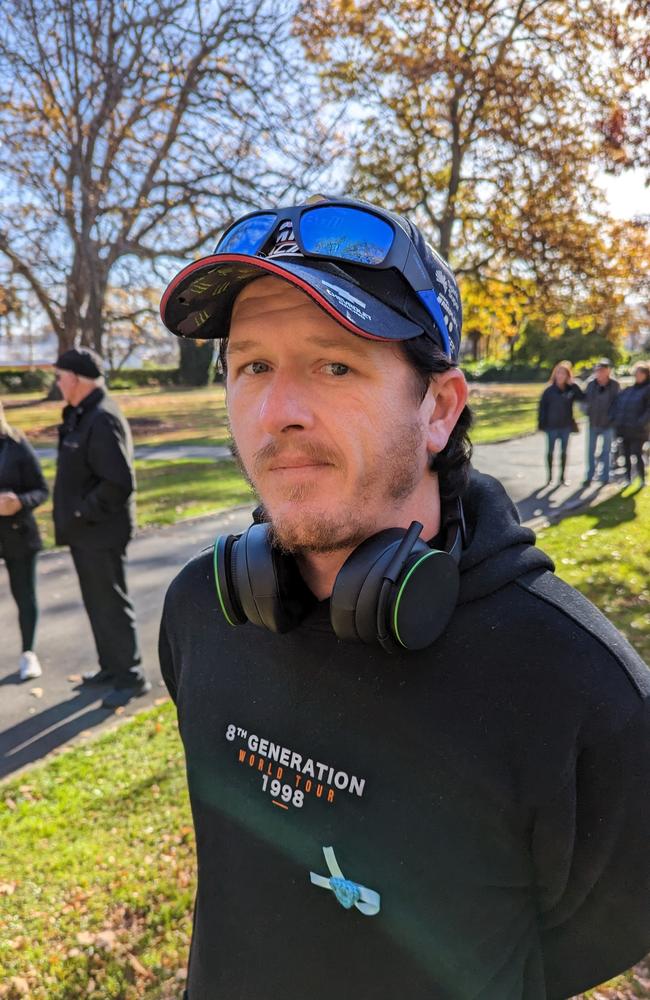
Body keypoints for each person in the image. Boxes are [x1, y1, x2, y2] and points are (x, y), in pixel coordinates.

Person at [158, 196, 650, 1000]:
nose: (278, 413)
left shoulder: (586, 692)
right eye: (252, 366)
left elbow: (596, 939)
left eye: (335, 365)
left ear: (440, 408)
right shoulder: (198, 615)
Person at [52, 347, 150, 709]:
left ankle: (132, 676)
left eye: (60, 376)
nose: (57, 383)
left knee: (110, 604)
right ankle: (111, 667)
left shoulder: (102, 417)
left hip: (100, 531)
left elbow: (117, 482)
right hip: (85, 532)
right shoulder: (81, 413)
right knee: (97, 603)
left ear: (76, 379)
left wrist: (80, 513)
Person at [0, 400, 48, 680]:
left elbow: (41, 489)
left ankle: (28, 653)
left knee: (24, 595)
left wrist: (19, 501)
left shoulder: (16, 443)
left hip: (19, 534)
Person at [537, 360, 585, 486]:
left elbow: (582, 397)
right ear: (555, 375)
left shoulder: (571, 390)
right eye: (558, 373)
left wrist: (574, 385)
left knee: (564, 453)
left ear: (567, 376)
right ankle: (549, 478)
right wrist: (541, 424)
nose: (560, 376)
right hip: (551, 426)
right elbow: (542, 408)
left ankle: (562, 478)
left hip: (566, 426)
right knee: (550, 452)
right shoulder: (548, 391)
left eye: (563, 374)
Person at [611, 360, 650, 486]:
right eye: (636, 373)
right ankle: (627, 479)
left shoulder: (647, 389)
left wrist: (641, 423)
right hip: (624, 428)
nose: (637, 376)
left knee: (637, 453)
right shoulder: (628, 390)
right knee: (625, 454)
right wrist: (616, 419)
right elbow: (617, 405)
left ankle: (641, 479)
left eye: (640, 374)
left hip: (638, 430)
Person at [582, 357, 620, 486]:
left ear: (608, 371)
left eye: (603, 370)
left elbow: (618, 403)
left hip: (608, 424)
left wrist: (613, 418)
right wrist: (587, 412)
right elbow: (584, 401)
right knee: (590, 451)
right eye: (598, 370)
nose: (600, 373)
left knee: (606, 451)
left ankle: (605, 477)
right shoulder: (591, 385)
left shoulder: (614, 385)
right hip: (593, 422)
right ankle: (590, 476)